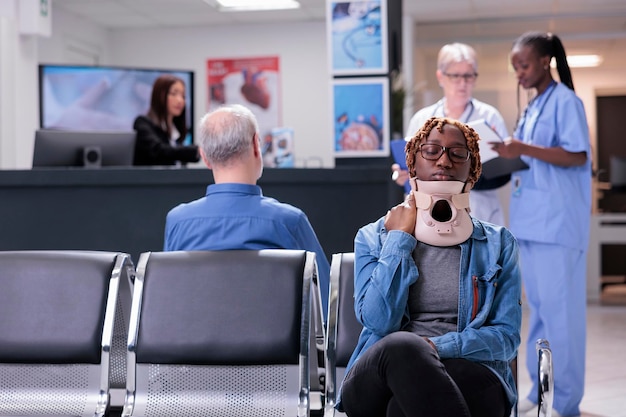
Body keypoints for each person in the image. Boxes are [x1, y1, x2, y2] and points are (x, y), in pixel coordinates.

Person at [338, 116, 522, 417]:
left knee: (401, 408)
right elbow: (378, 321)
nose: (444, 161)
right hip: (378, 374)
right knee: (402, 347)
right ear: (412, 166)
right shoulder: (373, 236)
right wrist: (398, 239)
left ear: (472, 172)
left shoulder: (499, 244)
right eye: (431, 150)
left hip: (468, 370)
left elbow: (506, 338)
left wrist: (438, 347)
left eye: (457, 153)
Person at [491, 31, 591, 417]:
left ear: (545, 61)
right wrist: (510, 152)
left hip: (557, 226)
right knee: (539, 314)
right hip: (531, 223)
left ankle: (566, 402)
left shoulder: (566, 102)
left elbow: (577, 155)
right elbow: (533, 158)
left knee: (562, 316)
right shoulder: (534, 106)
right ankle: (539, 388)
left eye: (524, 64)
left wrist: (523, 149)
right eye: (514, 66)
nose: (519, 72)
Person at [163, 104, 331, 315]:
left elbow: (169, 298)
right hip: (275, 348)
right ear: (255, 145)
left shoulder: (178, 222)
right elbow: (326, 303)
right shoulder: (289, 222)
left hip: (193, 346)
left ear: (204, 157)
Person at [392, 43, 509, 225]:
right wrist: (403, 174)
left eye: (468, 76)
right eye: (455, 76)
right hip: (431, 214)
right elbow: (412, 166)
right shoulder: (422, 118)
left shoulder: (489, 116)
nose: (463, 83)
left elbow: (503, 169)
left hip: (480, 211)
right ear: (441, 77)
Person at [133, 74, 200, 166]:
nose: (180, 100)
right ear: (159, 95)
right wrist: (196, 151)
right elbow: (158, 150)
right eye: (173, 94)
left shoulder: (176, 131)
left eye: (183, 96)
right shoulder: (143, 123)